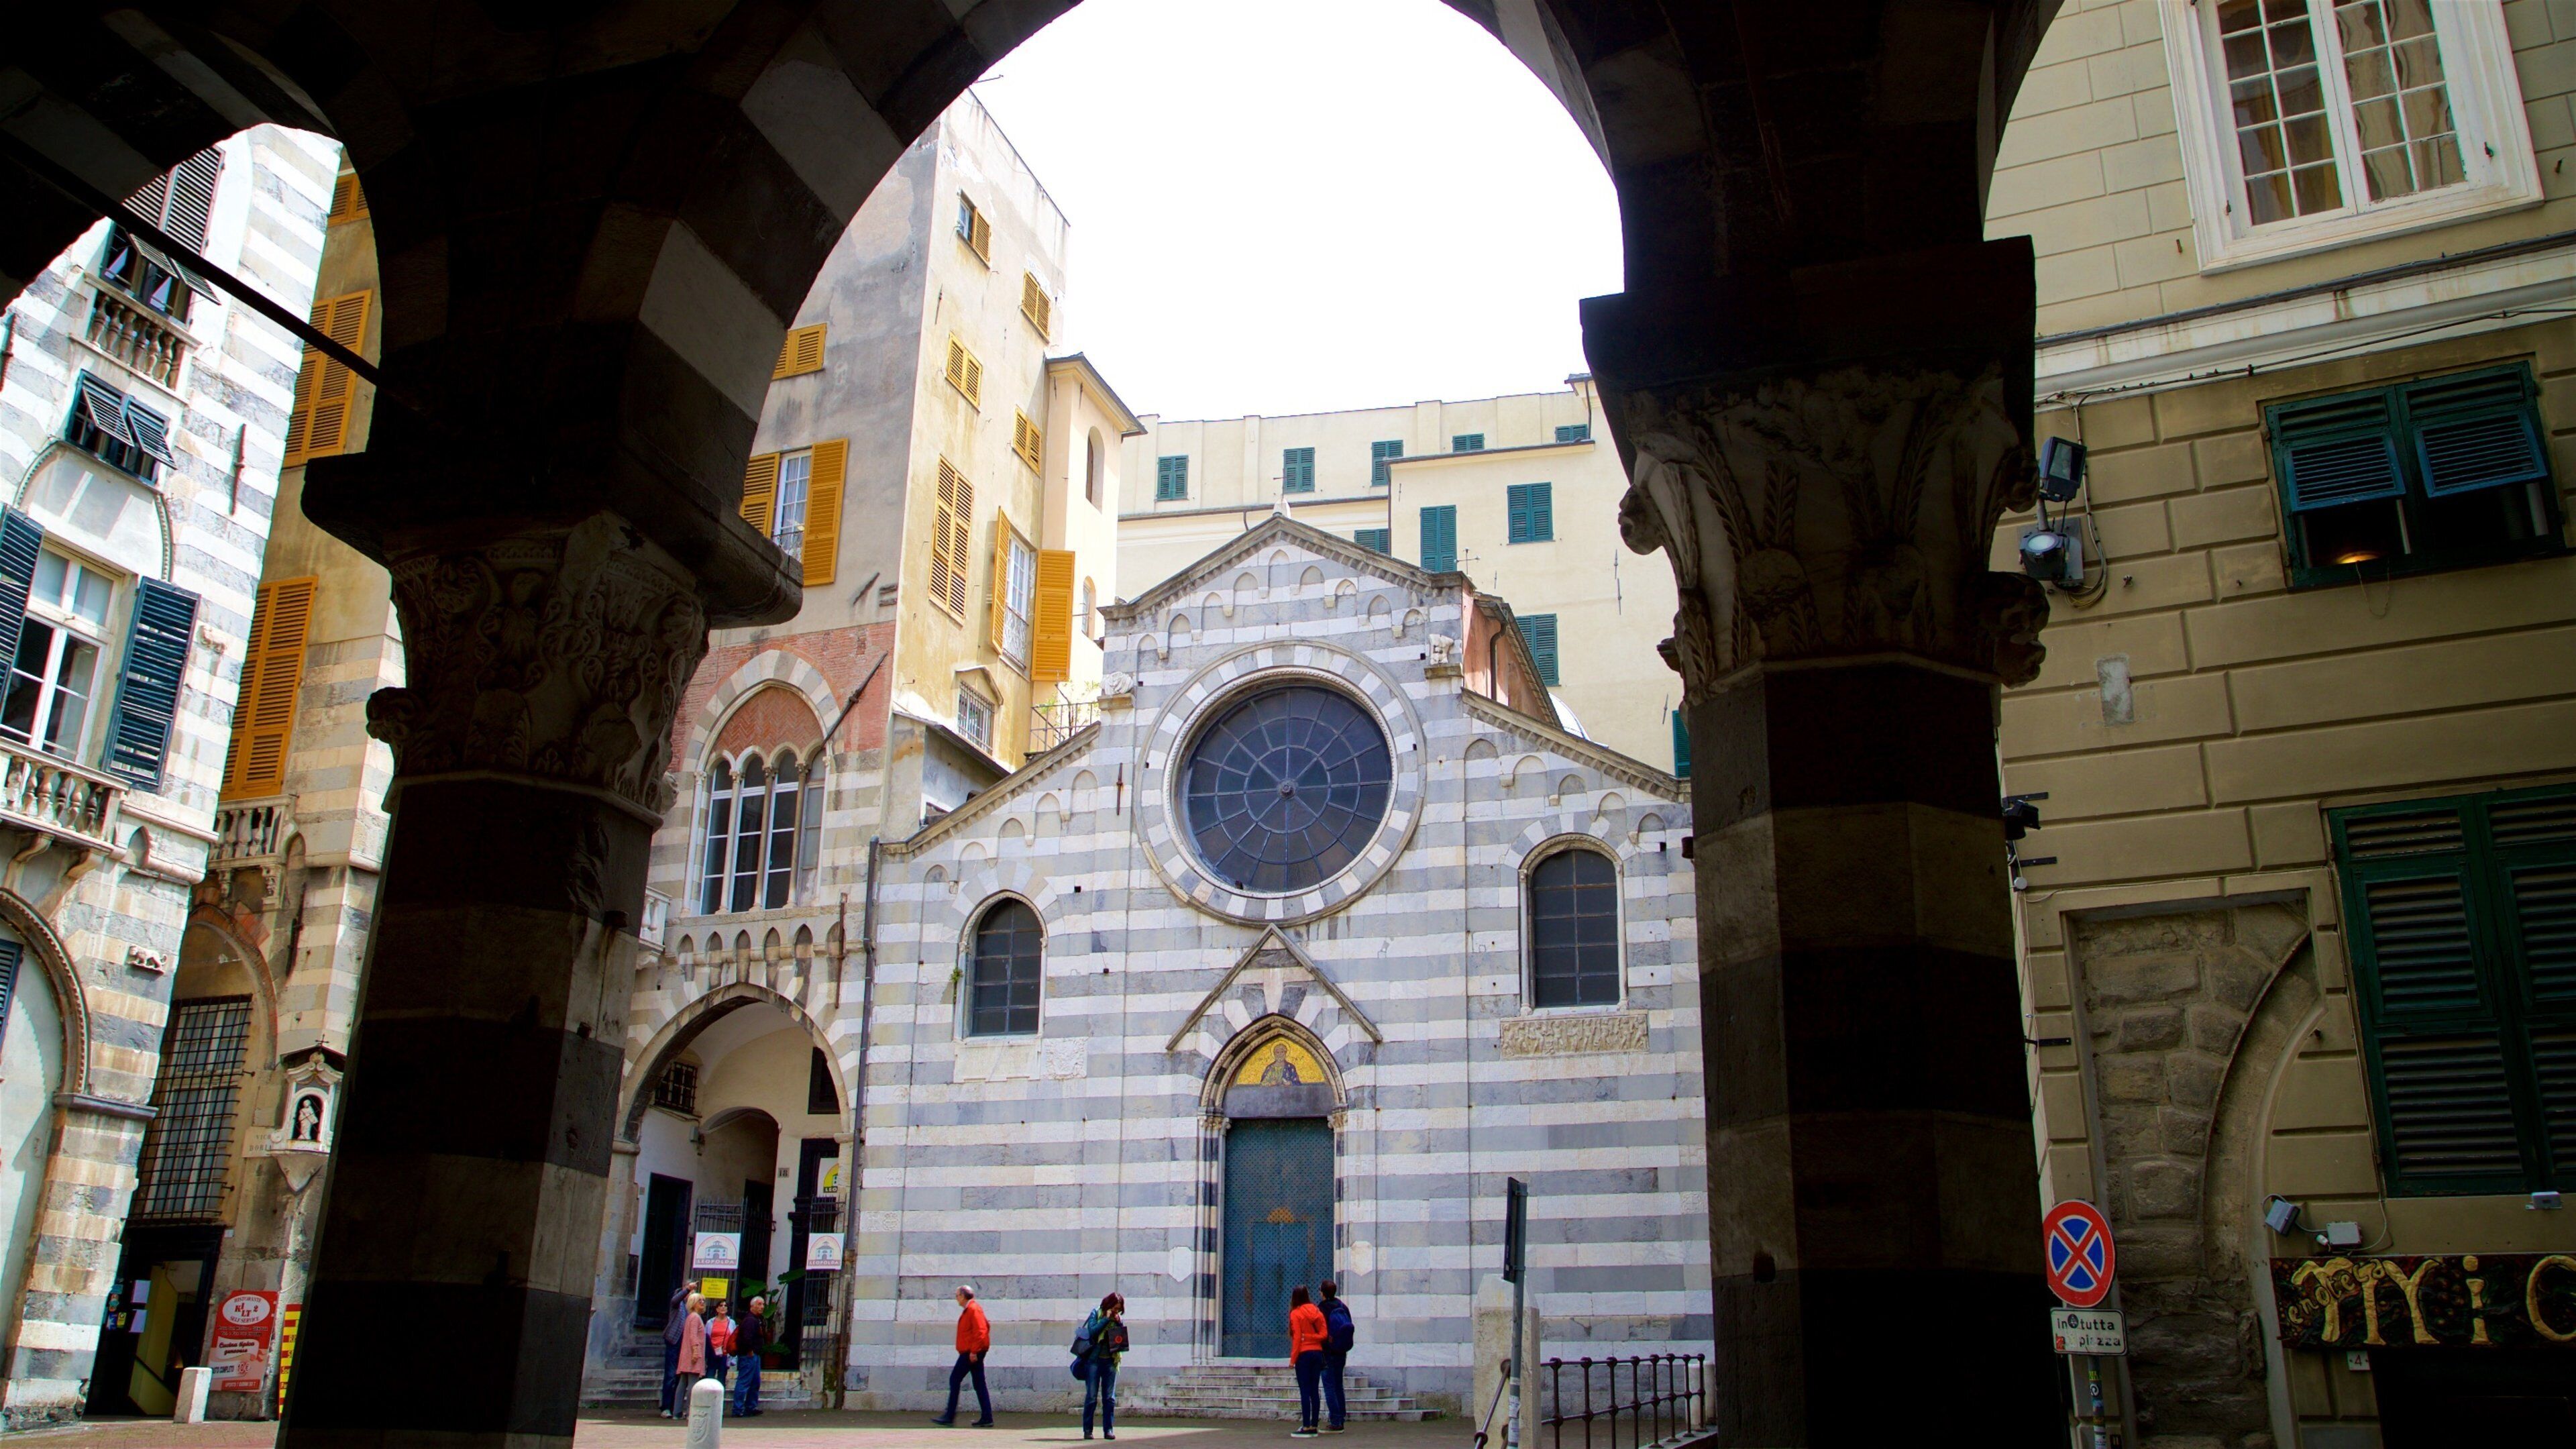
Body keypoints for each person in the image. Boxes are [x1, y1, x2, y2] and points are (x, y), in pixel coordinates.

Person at [932, 1283, 994, 1427]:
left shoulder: (973, 1309)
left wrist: (974, 1351)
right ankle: (987, 1417)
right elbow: (984, 1328)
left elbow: (981, 1331)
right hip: (973, 1351)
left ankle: (949, 1416)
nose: (956, 1298)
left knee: (955, 1379)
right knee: (979, 1384)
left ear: (963, 1296)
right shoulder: (971, 1309)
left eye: (957, 1295)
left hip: (971, 1353)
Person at [1078, 1292, 1129, 1441]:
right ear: (1108, 1305)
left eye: (1118, 1310)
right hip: (1094, 1361)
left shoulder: (1118, 1319)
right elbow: (1093, 1332)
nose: (1116, 1312)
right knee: (1092, 1397)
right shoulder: (1096, 1313)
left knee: (1109, 1398)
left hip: (1111, 1361)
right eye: (1114, 1309)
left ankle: (1109, 1430)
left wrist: (1119, 1323)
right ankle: (1088, 1430)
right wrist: (1106, 1319)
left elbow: (1121, 1340)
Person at [1288, 1285, 1328, 1438]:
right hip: (1317, 1353)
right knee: (1314, 1390)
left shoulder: (1296, 1314)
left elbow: (1297, 1338)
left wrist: (1293, 1360)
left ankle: (1306, 1426)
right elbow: (1324, 1334)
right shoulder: (1317, 1311)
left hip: (1304, 1355)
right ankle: (1314, 1425)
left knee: (1304, 1391)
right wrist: (1312, 1338)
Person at [659, 1279, 698, 1417]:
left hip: (685, 1344)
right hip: (674, 1340)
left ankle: (675, 1407)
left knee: (679, 1376)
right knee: (670, 1374)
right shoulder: (678, 1303)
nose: (692, 1294)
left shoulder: (691, 1308)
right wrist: (687, 1289)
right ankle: (666, 1407)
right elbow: (675, 1300)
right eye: (690, 1291)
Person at [1318, 1280, 1354, 1433]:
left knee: (1329, 1387)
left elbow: (1321, 1332)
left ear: (1323, 1293)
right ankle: (1341, 1417)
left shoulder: (1321, 1309)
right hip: (1341, 1351)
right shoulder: (1342, 1306)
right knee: (1339, 1385)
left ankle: (1336, 1420)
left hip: (1327, 1353)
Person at [672, 1292, 709, 1416]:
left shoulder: (691, 1317)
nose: (703, 1303)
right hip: (692, 1354)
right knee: (692, 1384)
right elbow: (693, 1336)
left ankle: (677, 1411)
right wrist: (696, 1352)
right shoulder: (695, 1318)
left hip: (687, 1354)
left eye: (703, 1300)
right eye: (700, 1301)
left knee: (683, 1383)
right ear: (694, 1303)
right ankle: (690, 1411)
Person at [735, 1295, 769, 1417]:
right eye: (759, 1304)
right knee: (744, 1382)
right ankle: (738, 1409)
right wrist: (750, 1351)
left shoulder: (757, 1319)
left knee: (755, 1382)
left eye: (763, 1304)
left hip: (755, 1355)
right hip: (749, 1355)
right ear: (752, 1306)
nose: (762, 1307)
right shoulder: (750, 1320)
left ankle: (751, 1406)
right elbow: (746, 1338)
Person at [704, 1300, 735, 1393]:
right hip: (712, 1353)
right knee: (710, 1376)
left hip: (725, 1354)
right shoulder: (710, 1322)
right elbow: (706, 1337)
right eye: (721, 1305)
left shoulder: (731, 1322)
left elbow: (733, 1338)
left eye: (725, 1305)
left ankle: (720, 1399)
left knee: (722, 1377)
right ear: (717, 1308)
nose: (723, 1307)